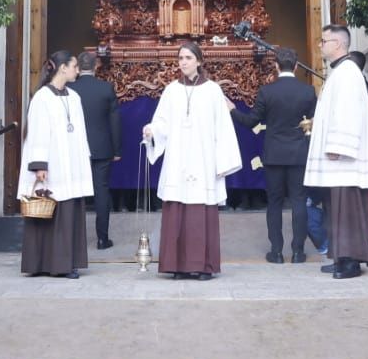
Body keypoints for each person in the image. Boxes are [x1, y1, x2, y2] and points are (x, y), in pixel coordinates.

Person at [144, 43, 241, 280]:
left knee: (200, 214)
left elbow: (223, 128)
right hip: (178, 159)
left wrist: (222, 162)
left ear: (199, 61)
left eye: (188, 57)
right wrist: (152, 131)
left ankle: (203, 266)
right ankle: (176, 265)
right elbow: (162, 122)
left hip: (203, 160)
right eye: (180, 58)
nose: (183, 62)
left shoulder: (213, 91)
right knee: (177, 210)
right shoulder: (171, 90)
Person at [306, 25, 368, 280]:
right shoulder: (340, 71)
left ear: (338, 44)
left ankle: (351, 260)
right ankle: (341, 255)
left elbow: (347, 112)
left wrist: (339, 146)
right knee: (336, 208)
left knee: (347, 209)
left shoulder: (348, 72)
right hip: (338, 162)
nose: (320, 45)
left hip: (345, 158)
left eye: (324, 40)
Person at [231, 48, 317, 263]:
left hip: (274, 154)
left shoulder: (267, 92)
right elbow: (315, 123)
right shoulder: (308, 91)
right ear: (296, 67)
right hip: (298, 153)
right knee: (298, 201)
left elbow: (251, 121)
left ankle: (276, 252)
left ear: (276, 67)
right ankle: (298, 251)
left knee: (274, 202)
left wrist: (232, 110)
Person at [17, 51, 93, 278]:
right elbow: (38, 132)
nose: (77, 70)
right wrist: (40, 164)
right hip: (52, 164)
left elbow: (79, 132)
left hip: (71, 163)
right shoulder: (42, 97)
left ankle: (69, 261)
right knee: (52, 213)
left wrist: (83, 158)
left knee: (69, 213)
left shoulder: (74, 97)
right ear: (62, 68)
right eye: (74, 66)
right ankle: (51, 264)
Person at [70, 51, 121, 250]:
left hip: (75, 148)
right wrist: (117, 149)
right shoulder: (105, 88)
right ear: (96, 66)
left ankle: (74, 239)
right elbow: (115, 122)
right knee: (101, 190)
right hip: (101, 147)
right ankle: (102, 239)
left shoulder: (69, 88)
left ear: (77, 67)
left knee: (74, 192)